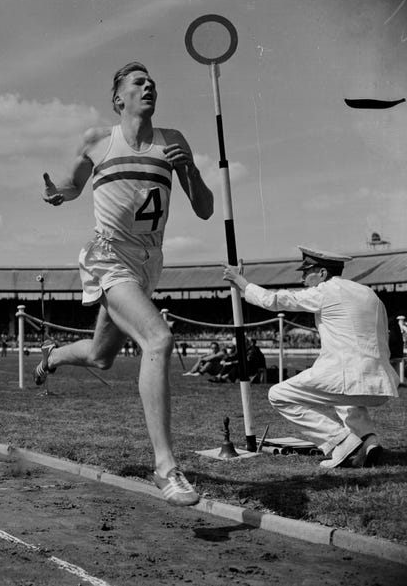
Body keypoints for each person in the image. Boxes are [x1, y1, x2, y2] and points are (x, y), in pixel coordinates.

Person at [34, 61, 214, 506]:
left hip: (149, 263)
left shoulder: (173, 142)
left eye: (153, 81)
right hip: (108, 256)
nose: (149, 85)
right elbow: (73, 185)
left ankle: (52, 355)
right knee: (159, 339)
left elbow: (206, 209)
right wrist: (55, 191)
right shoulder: (99, 140)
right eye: (139, 83)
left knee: (100, 357)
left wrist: (188, 169)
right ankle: (166, 468)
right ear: (119, 99)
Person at [223, 246, 400, 468]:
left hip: (348, 376)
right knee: (344, 400)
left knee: (278, 394)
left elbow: (274, 300)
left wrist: (240, 281)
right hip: (380, 384)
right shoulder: (369, 294)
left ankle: (342, 442)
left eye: (307, 272)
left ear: (323, 273)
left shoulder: (326, 290)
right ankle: (369, 440)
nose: (302, 278)